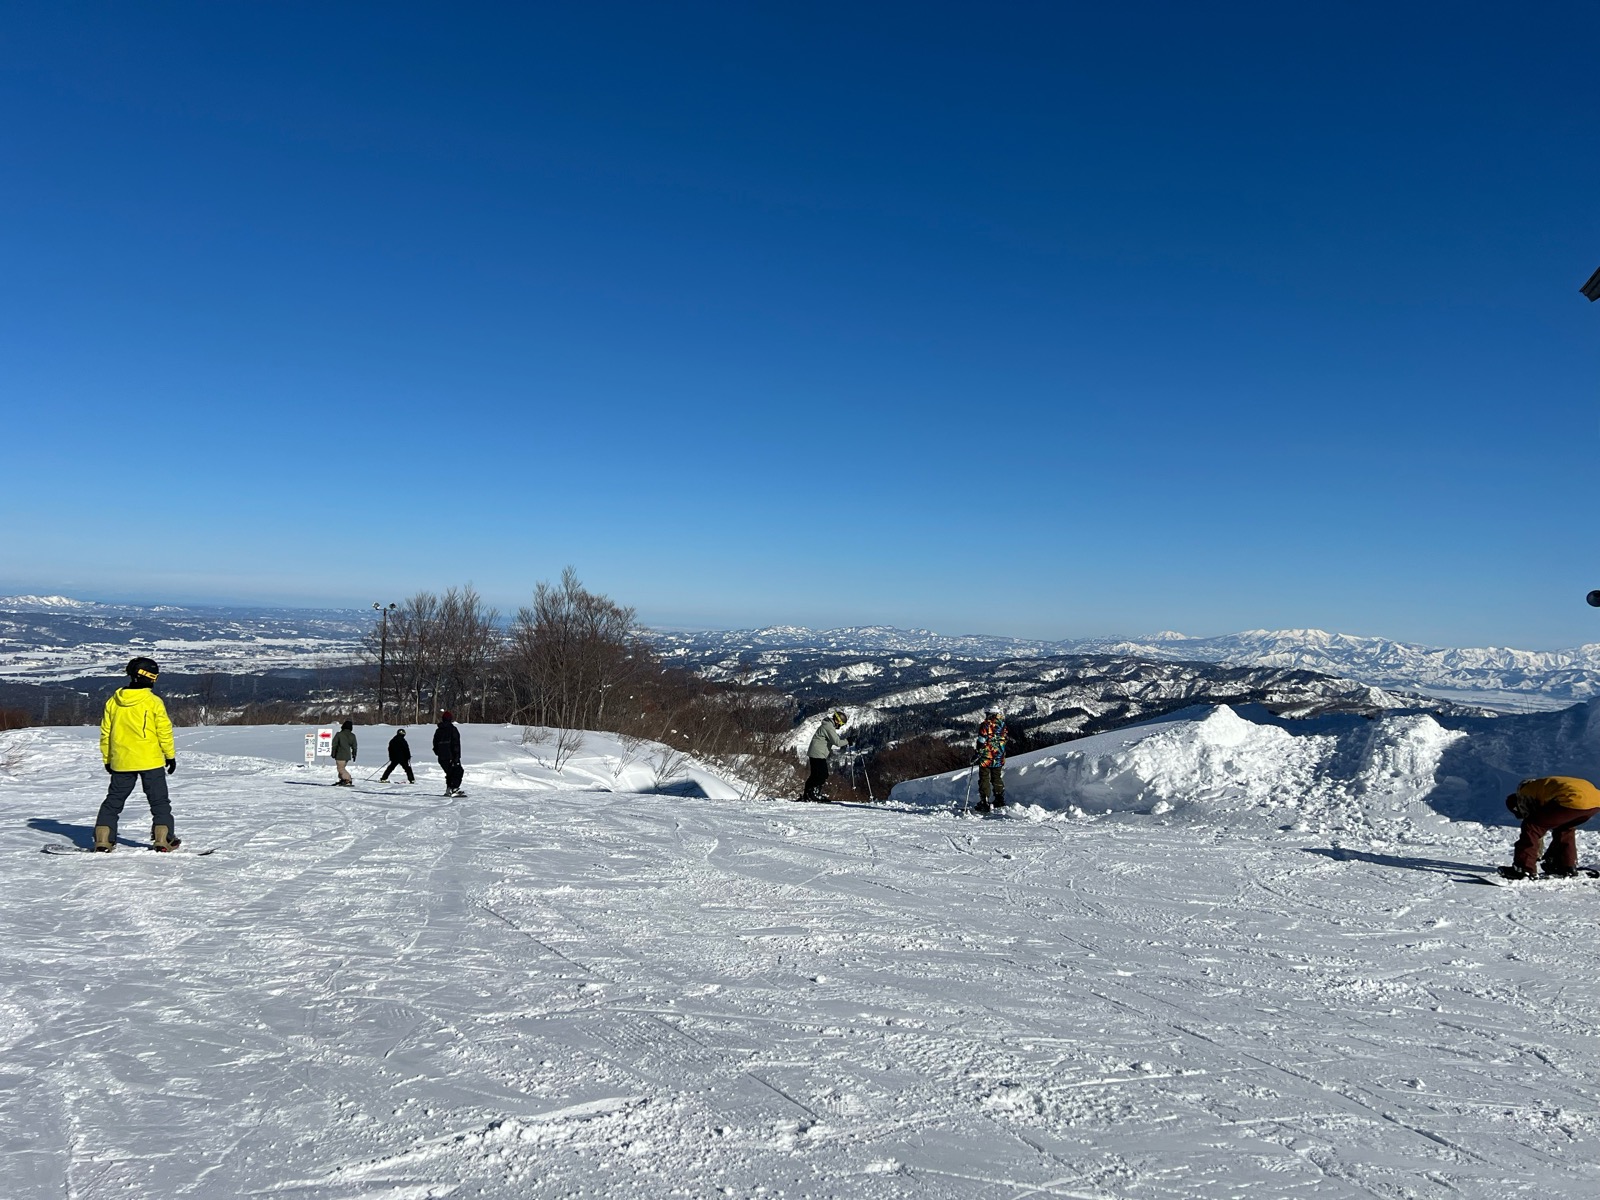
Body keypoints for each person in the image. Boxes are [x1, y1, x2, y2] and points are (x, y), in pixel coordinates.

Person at [95, 656, 179, 852]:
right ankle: (163, 839)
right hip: (150, 759)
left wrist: (108, 758)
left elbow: (105, 733)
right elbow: (163, 731)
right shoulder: (153, 701)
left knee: (113, 801)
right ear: (148, 677)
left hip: (121, 760)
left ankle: (103, 839)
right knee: (159, 801)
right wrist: (170, 755)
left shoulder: (113, 702)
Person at [1502, 776, 1600, 879]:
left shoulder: (1524, 791)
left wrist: (1536, 854)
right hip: (1595, 803)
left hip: (1572, 798)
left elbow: (1534, 822)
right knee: (1564, 828)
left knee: (1531, 826)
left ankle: (1523, 869)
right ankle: (1566, 865)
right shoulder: (1542, 786)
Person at [799, 709, 848, 802]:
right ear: (837, 721)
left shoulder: (827, 725)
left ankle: (808, 794)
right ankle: (813, 794)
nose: (840, 726)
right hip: (818, 753)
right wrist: (848, 741)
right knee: (822, 775)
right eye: (841, 724)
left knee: (815, 775)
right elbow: (837, 742)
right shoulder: (828, 727)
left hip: (816, 752)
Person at [972, 703, 1007, 813]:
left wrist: (977, 753)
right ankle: (999, 799)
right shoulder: (1002, 724)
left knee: (984, 778)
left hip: (987, 756)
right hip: (999, 755)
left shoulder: (985, 725)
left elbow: (981, 741)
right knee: (997, 777)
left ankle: (984, 802)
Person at [434, 711, 464, 797]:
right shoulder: (452, 729)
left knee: (450, 773)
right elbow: (456, 744)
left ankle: (449, 789)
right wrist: (456, 757)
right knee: (458, 771)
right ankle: (454, 788)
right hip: (451, 756)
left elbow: (435, 744)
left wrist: (439, 753)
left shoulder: (438, 730)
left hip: (441, 757)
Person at [330, 720, 358, 786]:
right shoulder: (352, 735)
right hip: (347, 755)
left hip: (340, 754)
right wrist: (354, 754)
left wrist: (333, 753)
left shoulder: (339, 734)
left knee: (340, 769)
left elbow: (334, 744)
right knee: (342, 768)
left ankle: (348, 779)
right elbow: (354, 746)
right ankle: (343, 780)